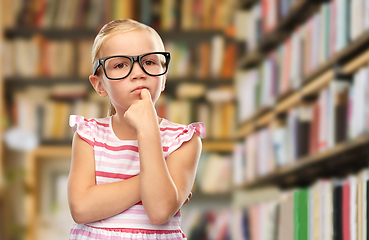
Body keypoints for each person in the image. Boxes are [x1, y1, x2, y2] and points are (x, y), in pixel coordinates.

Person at [68, 18, 205, 240]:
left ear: (164, 77)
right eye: (120, 65)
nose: (138, 73)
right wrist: (155, 180)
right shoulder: (88, 136)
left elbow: (160, 211)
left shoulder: (184, 140)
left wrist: (148, 130)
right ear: (99, 85)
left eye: (149, 62)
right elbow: (81, 209)